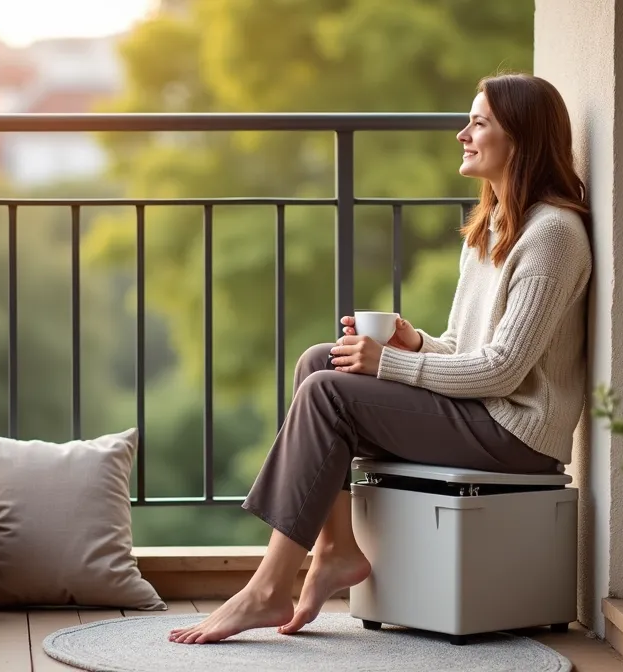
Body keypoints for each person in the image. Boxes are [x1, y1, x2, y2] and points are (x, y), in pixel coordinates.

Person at [168, 72, 593, 645]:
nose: (463, 134)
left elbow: (502, 370)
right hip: (483, 414)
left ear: (522, 137)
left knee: (330, 390)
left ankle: (269, 587)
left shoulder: (553, 236)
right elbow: (468, 352)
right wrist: (416, 343)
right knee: (322, 363)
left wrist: (389, 365)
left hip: (515, 434)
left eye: (480, 122)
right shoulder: (494, 227)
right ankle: (335, 549)